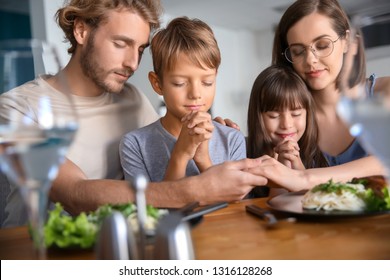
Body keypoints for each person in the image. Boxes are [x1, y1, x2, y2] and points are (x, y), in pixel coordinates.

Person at [0, 0, 267, 227]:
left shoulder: (133, 99)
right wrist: (197, 189)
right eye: (121, 43)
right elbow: (74, 194)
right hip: (38, 251)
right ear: (81, 30)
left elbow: (165, 143)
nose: (133, 63)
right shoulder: (15, 109)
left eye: (139, 49)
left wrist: (213, 132)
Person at [252, 0, 389, 192]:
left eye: (323, 45)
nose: (310, 60)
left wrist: (305, 178)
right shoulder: (291, 119)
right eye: (298, 51)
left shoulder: (385, 92)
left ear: (348, 43)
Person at [120, 17, 246, 182]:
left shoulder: (231, 139)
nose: (195, 94)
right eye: (180, 83)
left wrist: (203, 160)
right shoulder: (135, 144)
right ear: (157, 84)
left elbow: (237, 205)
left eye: (207, 82)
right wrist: (180, 155)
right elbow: (150, 207)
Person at [247, 65, 328, 197]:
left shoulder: (317, 157)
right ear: (257, 116)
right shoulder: (243, 154)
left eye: (296, 114)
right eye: (274, 115)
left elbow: (314, 202)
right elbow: (275, 207)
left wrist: (296, 169)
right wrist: (283, 166)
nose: (286, 124)